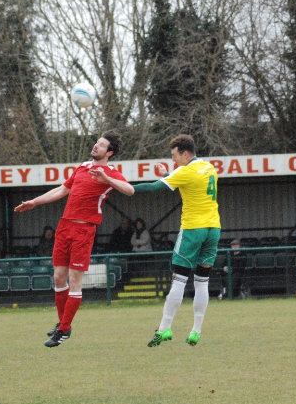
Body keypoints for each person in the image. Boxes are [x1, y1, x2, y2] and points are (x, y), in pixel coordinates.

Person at [96, 134, 220, 347]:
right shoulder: (208, 167)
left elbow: (155, 188)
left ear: (185, 153)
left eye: (174, 156)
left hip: (192, 229)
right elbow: (189, 183)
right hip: (213, 228)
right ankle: (196, 331)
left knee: (180, 278)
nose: (173, 160)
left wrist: (115, 183)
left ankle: (164, 328)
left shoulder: (186, 171)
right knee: (202, 281)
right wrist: (168, 174)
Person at [15, 130, 134, 347]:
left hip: (83, 231)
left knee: (75, 281)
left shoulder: (110, 172)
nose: (96, 146)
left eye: (101, 144)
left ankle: (62, 330)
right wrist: (34, 202)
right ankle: (64, 325)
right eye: (96, 142)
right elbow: (62, 190)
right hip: (64, 227)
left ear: (110, 152)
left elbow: (130, 190)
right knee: (59, 278)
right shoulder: (82, 167)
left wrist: (107, 179)